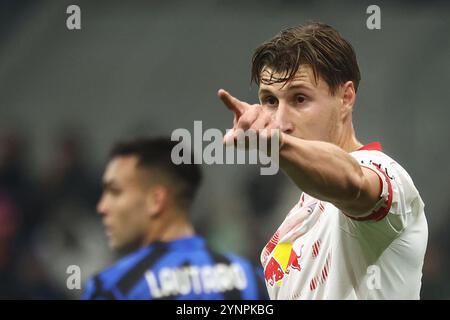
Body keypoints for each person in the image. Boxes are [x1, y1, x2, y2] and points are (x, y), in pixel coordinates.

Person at [217, 22, 427, 299]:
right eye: (270, 101)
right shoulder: (290, 227)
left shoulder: (386, 174)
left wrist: (278, 144)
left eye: (299, 98)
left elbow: (352, 183)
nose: (279, 120)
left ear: (346, 97)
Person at [83, 137, 267, 300]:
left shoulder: (113, 288)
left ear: (156, 200)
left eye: (115, 192)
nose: (102, 207)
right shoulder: (252, 279)